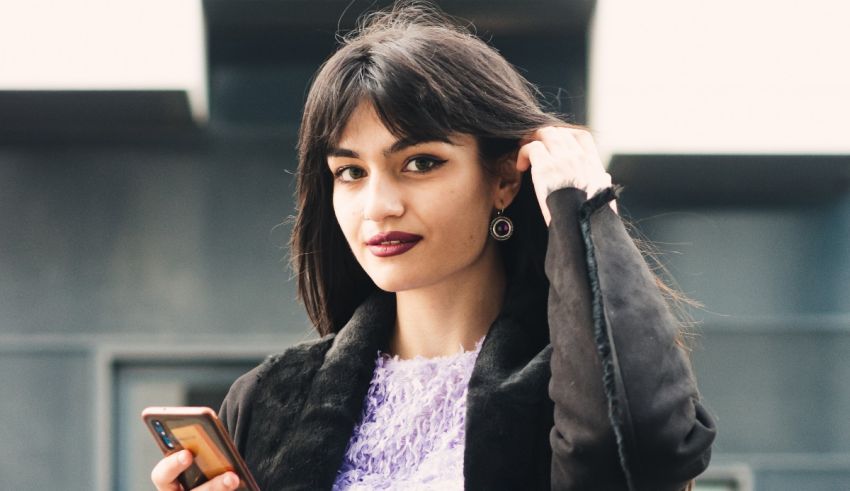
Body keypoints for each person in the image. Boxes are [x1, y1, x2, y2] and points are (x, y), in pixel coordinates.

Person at [151, 2, 716, 490]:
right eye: (350, 172)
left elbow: (645, 447)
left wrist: (584, 208)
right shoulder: (269, 399)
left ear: (503, 179)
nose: (378, 205)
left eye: (420, 163)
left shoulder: (564, 389)